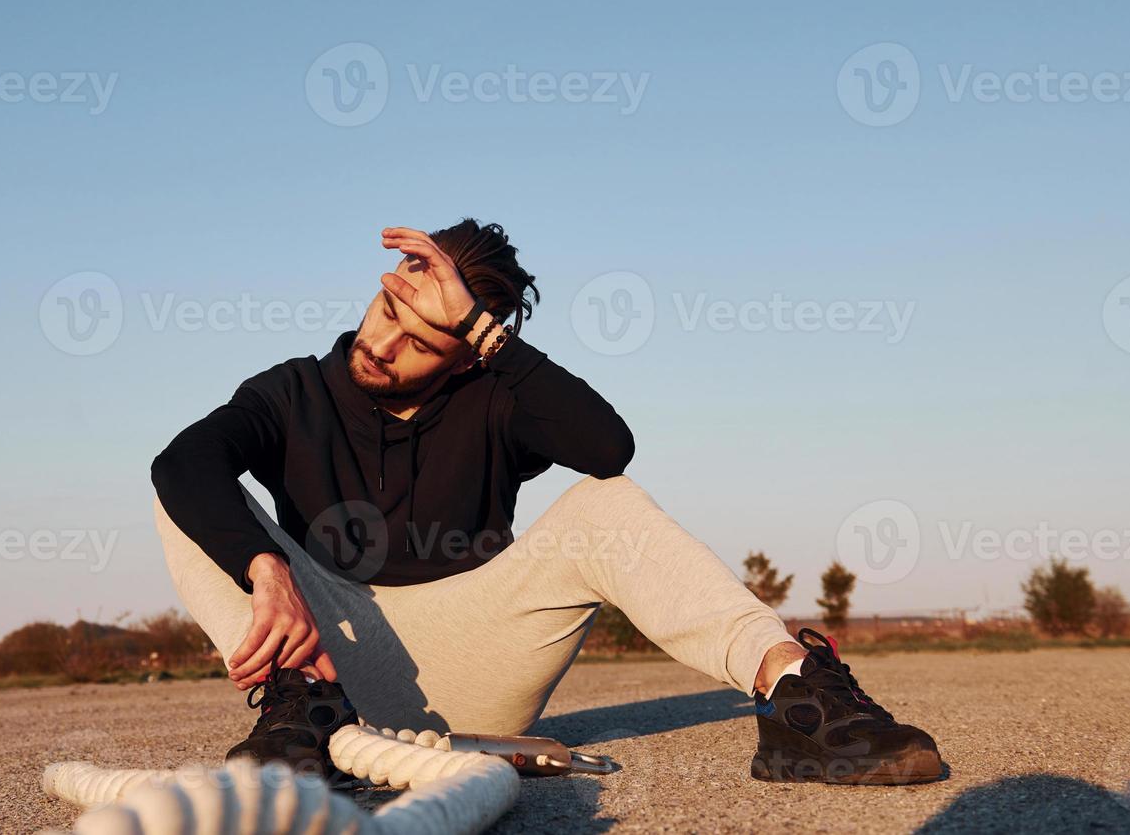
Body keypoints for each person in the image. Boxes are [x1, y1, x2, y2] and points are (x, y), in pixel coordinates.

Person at [151, 219, 941, 786]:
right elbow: (185, 463)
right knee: (180, 486)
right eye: (387, 311)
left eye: (424, 341)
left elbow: (608, 446)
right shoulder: (291, 391)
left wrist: (483, 332)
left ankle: (798, 699)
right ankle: (300, 716)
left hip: (483, 662)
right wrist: (265, 567)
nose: (384, 344)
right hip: (329, 668)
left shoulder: (495, 394)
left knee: (606, 504)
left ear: (465, 356)